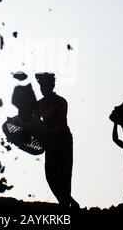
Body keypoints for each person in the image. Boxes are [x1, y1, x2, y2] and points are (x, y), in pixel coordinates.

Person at [35, 72, 79, 209]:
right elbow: (33, 122)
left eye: (45, 86)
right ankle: (69, 202)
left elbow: (62, 123)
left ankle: (65, 205)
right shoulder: (39, 104)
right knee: (50, 176)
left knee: (64, 175)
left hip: (63, 140)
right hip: (50, 142)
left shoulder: (61, 101)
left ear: (51, 86)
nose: (42, 88)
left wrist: (49, 133)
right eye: (41, 86)